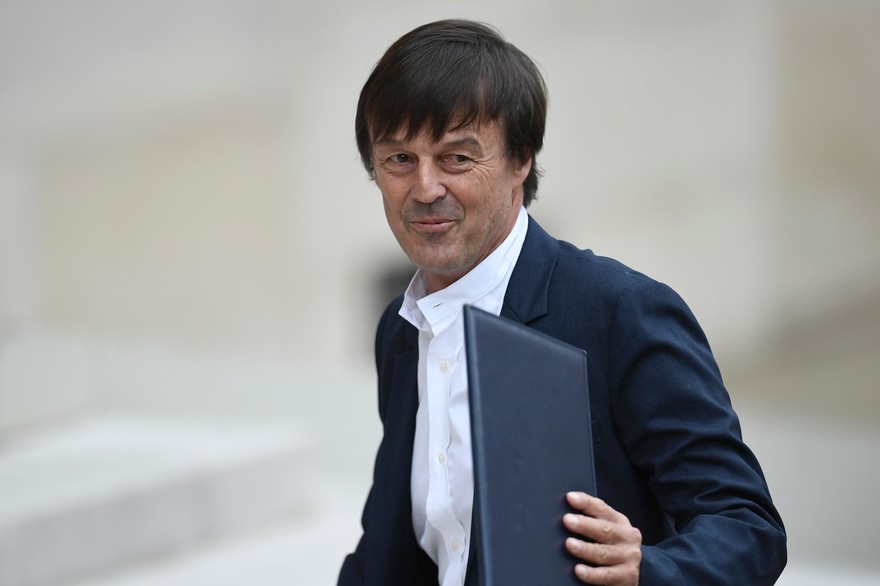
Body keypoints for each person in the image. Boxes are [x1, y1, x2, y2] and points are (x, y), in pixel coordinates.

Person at [338, 19, 786, 586]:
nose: (425, 188)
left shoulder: (620, 312)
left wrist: (646, 569)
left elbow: (748, 529)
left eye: (456, 158)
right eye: (400, 159)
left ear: (520, 160)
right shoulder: (400, 329)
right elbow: (392, 547)